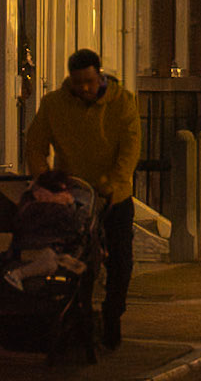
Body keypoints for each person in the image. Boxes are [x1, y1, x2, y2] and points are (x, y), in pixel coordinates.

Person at [25, 47, 140, 348]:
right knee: (78, 260)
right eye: (78, 83)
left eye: (89, 81)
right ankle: (80, 316)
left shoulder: (123, 103)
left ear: (100, 75)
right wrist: (46, 180)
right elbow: (35, 144)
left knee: (121, 260)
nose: (84, 89)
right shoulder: (54, 104)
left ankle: (113, 314)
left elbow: (129, 151)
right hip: (73, 196)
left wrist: (114, 185)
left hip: (113, 195)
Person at [2, 169, 89, 289]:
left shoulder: (28, 203)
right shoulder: (47, 208)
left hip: (36, 250)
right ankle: (16, 275)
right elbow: (75, 226)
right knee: (50, 262)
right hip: (31, 251)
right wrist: (70, 204)